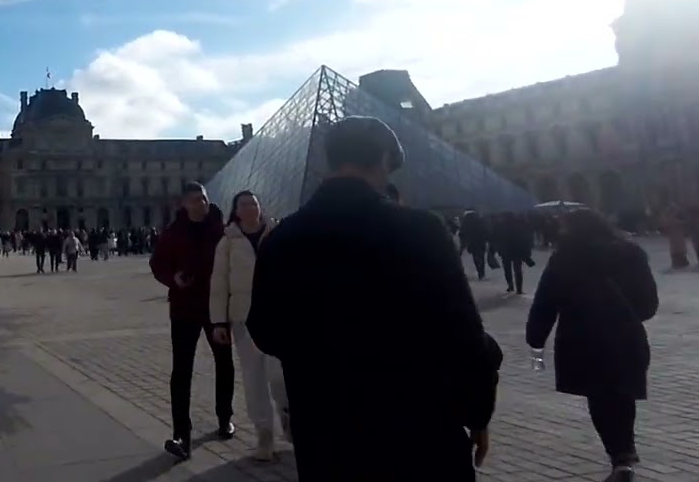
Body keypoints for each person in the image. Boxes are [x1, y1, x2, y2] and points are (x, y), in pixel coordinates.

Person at [247, 116, 502, 481]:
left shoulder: (281, 239)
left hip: (326, 434)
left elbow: (264, 331)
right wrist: (477, 413)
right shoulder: (421, 230)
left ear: (330, 159)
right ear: (383, 158)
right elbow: (463, 337)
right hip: (419, 430)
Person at [526, 209, 658, 482]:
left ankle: (619, 456)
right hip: (626, 337)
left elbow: (545, 303)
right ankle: (625, 453)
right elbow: (648, 303)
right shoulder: (631, 253)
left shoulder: (564, 258)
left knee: (599, 398)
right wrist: (627, 315)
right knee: (622, 394)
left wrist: (536, 340)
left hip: (582, 339)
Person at [149, 181, 235, 461]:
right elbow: (157, 264)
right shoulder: (173, 233)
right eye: (195, 199)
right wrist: (173, 278)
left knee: (224, 362)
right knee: (181, 371)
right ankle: (181, 434)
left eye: (204, 198)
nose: (201, 203)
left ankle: (225, 417)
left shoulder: (222, 230)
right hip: (184, 307)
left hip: (216, 307)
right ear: (184, 203)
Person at [209, 191, 289, 461]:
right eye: (244, 204)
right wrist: (219, 322)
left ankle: (287, 416)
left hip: (278, 316)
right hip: (244, 318)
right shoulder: (227, 243)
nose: (250, 208)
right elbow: (219, 284)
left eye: (253, 203)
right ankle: (264, 433)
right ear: (236, 210)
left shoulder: (278, 235)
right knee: (254, 378)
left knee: (280, 375)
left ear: (260, 207)